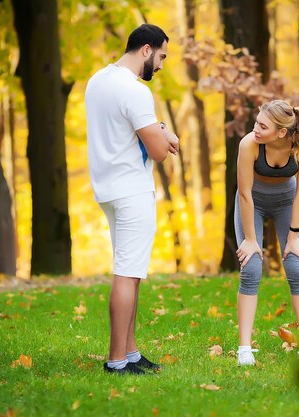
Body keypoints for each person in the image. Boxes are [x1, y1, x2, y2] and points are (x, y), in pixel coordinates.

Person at [85, 24, 179, 375]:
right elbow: (158, 152)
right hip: (132, 189)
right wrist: (165, 135)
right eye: (162, 56)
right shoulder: (136, 92)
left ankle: (131, 352)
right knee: (127, 273)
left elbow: (128, 129)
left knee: (132, 271)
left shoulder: (97, 81)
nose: (161, 65)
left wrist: (160, 129)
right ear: (146, 49)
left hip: (107, 188)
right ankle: (116, 361)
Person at [234, 99, 299, 366]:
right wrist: (250, 240)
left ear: (282, 132)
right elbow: (245, 194)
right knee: (251, 268)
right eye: (256, 121)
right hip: (252, 202)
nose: (254, 128)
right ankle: (244, 348)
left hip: (287, 201)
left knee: (296, 268)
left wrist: (293, 237)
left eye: (262, 125)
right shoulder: (249, 144)